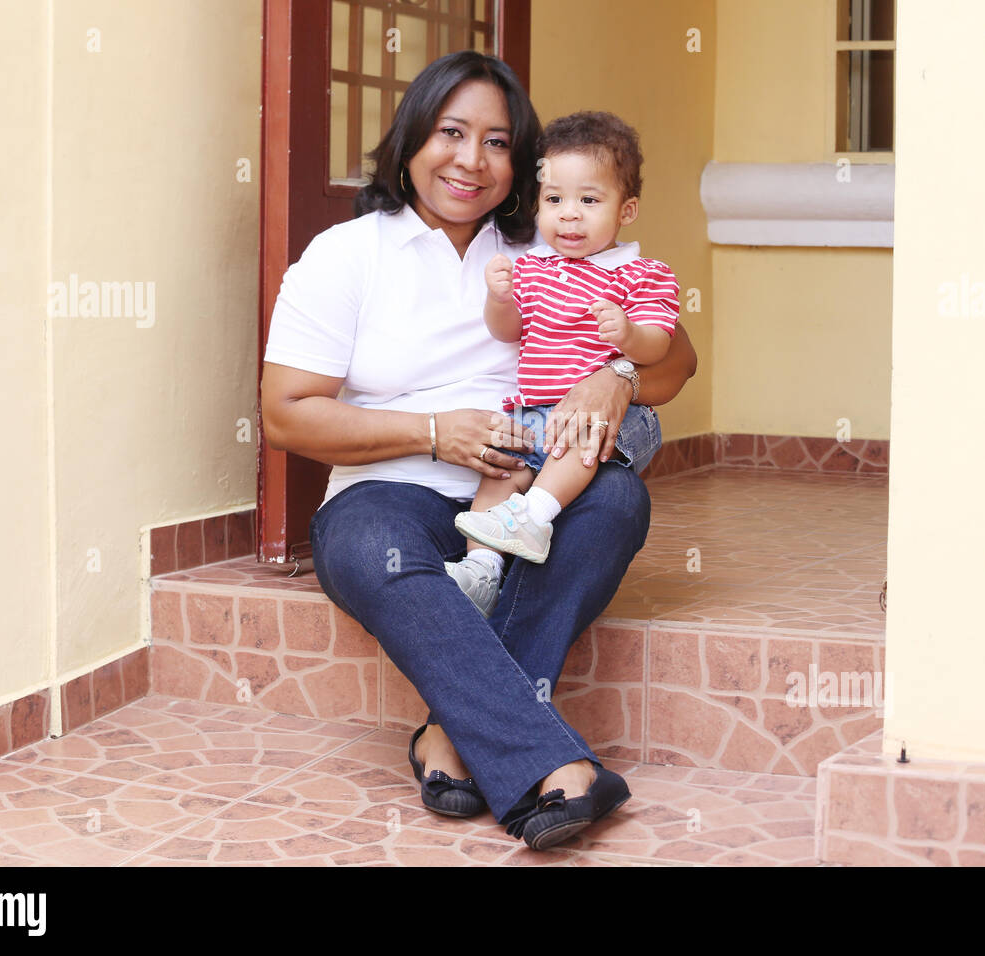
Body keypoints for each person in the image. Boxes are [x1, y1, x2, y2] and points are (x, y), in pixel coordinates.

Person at [260, 51, 697, 851]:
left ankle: (451, 739)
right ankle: (543, 765)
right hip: (386, 491)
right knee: (372, 548)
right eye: (451, 133)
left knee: (616, 502)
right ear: (411, 138)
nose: (471, 159)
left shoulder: (555, 235)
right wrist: (434, 433)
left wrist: (619, 377)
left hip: (524, 487)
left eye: (497, 142)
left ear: (520, 161)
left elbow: (677, 363)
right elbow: (286, 415)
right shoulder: (347, 254)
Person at [446, 111, 679, 617]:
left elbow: (661, 346)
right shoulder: (532, 267)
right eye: (554, 200)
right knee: (498, 471)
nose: (569, 215)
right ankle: (481, 572)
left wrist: (629, 335)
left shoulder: (643, 276)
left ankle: (535, 514)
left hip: (614, 418)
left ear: (627, 209)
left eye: (589, 201)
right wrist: (501, 298)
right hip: (535, 409)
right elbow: (507, 331)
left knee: (579, 436)